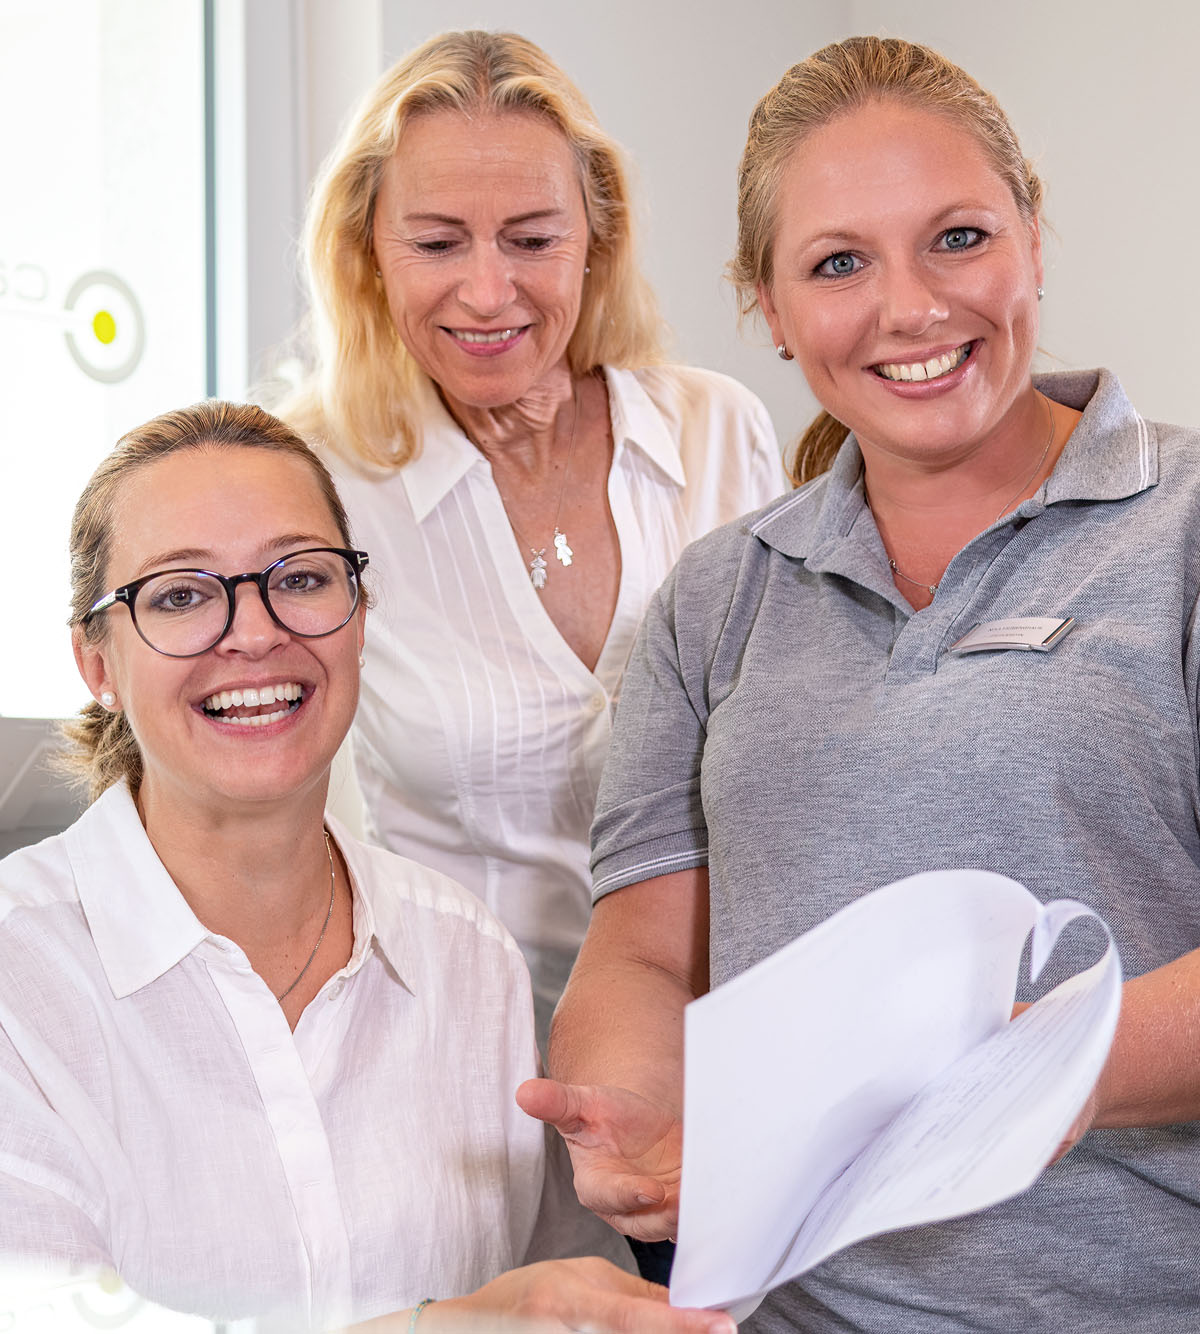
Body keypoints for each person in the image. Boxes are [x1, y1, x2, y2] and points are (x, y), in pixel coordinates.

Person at [520, 35, 1200, 1333]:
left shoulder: (1182, 528)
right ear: (768, 307)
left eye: (957, 238)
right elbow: (645, 946)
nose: (912, 307)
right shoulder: (716, 602)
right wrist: (630, 1097)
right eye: (839, 262)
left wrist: (1040, 1070)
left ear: (1034, 238)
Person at [0, 401, 737, 1334]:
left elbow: (558, 1298)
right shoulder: (20, 981)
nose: (254, 631)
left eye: (300, 577)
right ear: (95, 662)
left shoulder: (466, 951)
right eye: (181, 594)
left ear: (357, 613)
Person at [280, 29, 784, 1050]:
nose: (487, 290)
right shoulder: (311, 481)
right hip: (457, 1065)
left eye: (531, 237)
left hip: (724, 1048)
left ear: (595, 236)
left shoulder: (716, 426)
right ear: (366, 252)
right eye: (436, 243)